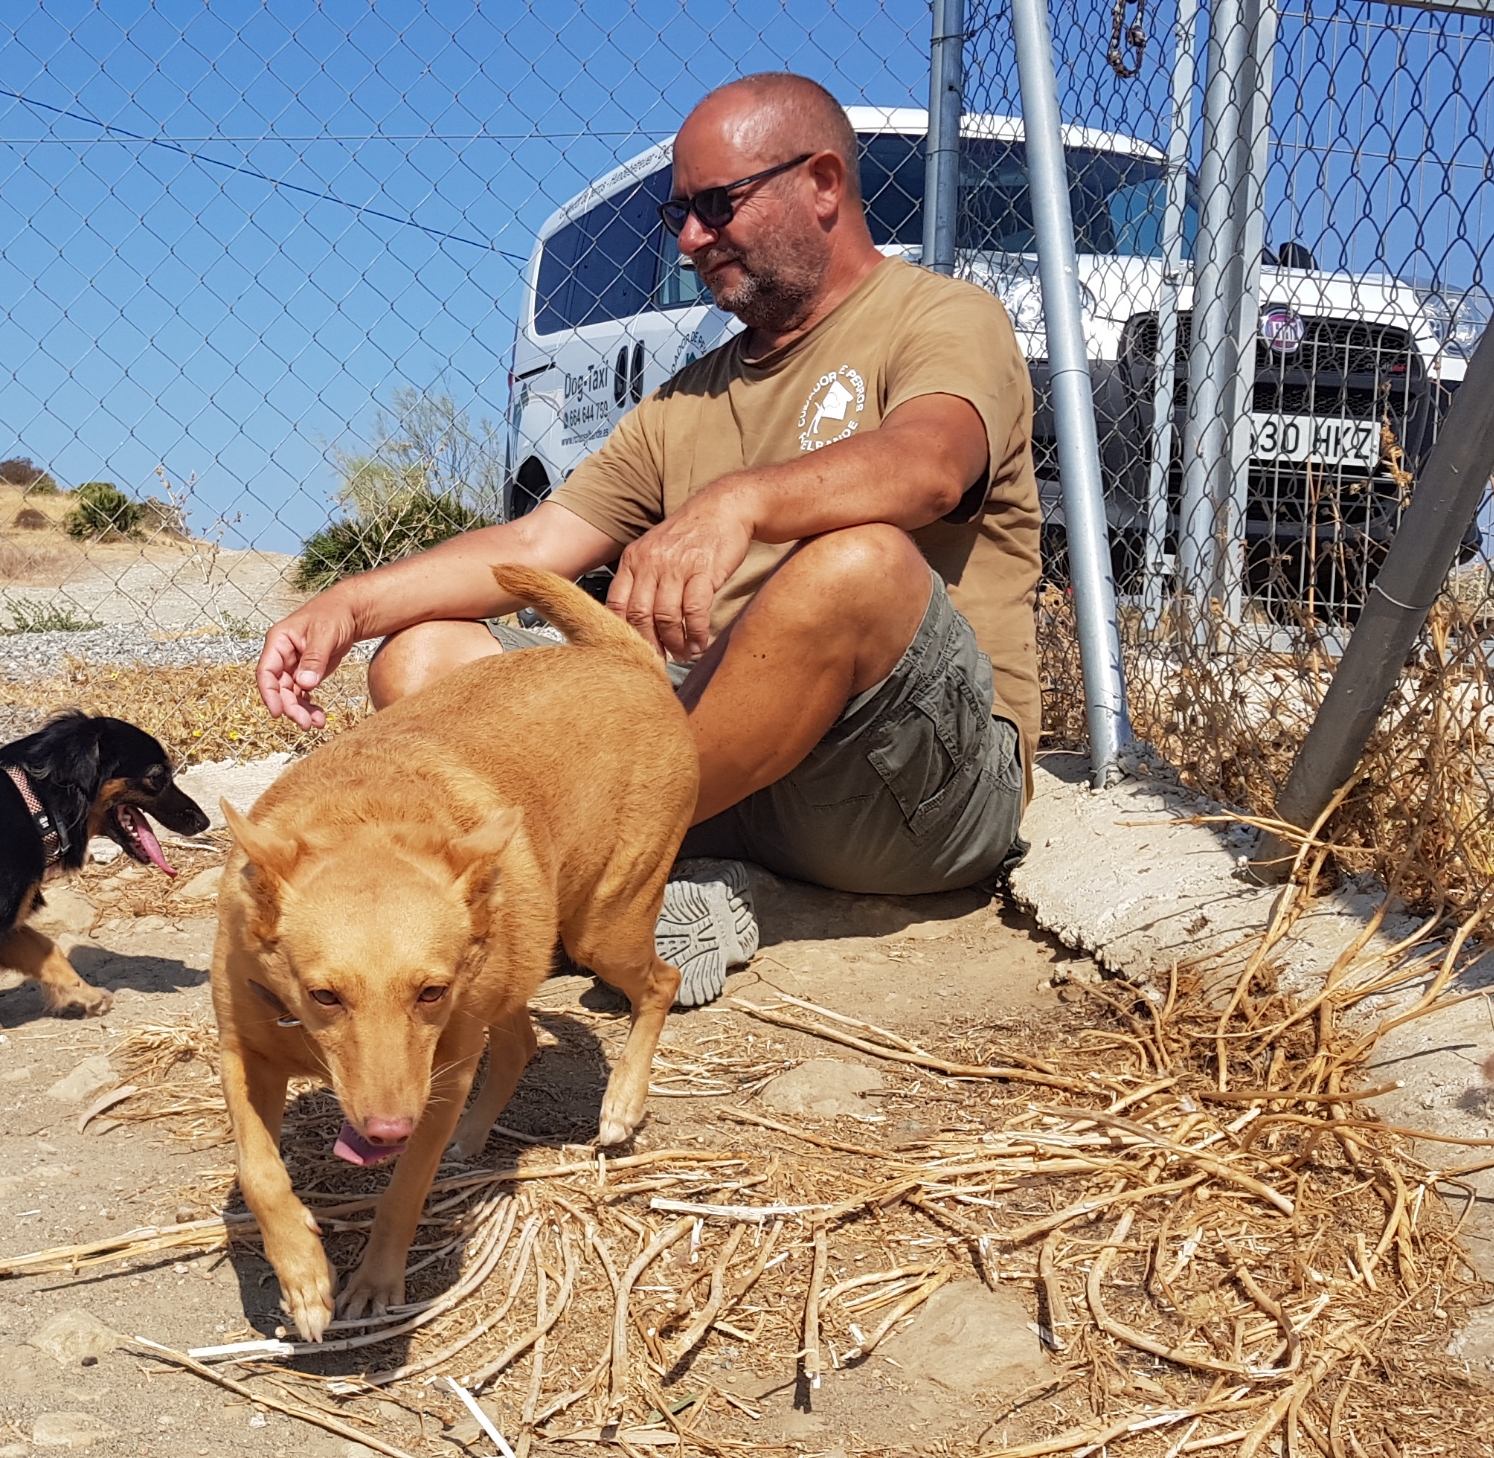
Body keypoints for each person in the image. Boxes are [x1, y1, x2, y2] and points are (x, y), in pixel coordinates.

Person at [254, 72, 1043, 1008]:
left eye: (716, 205)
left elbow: (931, 465)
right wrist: (349, 606)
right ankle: (639, 882)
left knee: (857, 563)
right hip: (723, 772)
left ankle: (568, 885)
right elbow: (537, 541)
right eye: (679, 213)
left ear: (823, 183)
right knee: (423, 658)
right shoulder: (686, 399)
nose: (689, 239)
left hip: (902, 788)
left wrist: (736, 503)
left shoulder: (941, 317)